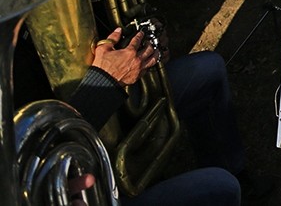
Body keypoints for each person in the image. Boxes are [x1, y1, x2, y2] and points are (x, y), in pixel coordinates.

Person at [67, 26, 266, 205]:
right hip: (82, 174)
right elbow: (54, 141)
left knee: (209, 71)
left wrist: (143, 39)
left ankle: (233, 169)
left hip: (103, 100)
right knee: (221, 188)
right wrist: (103, 84)